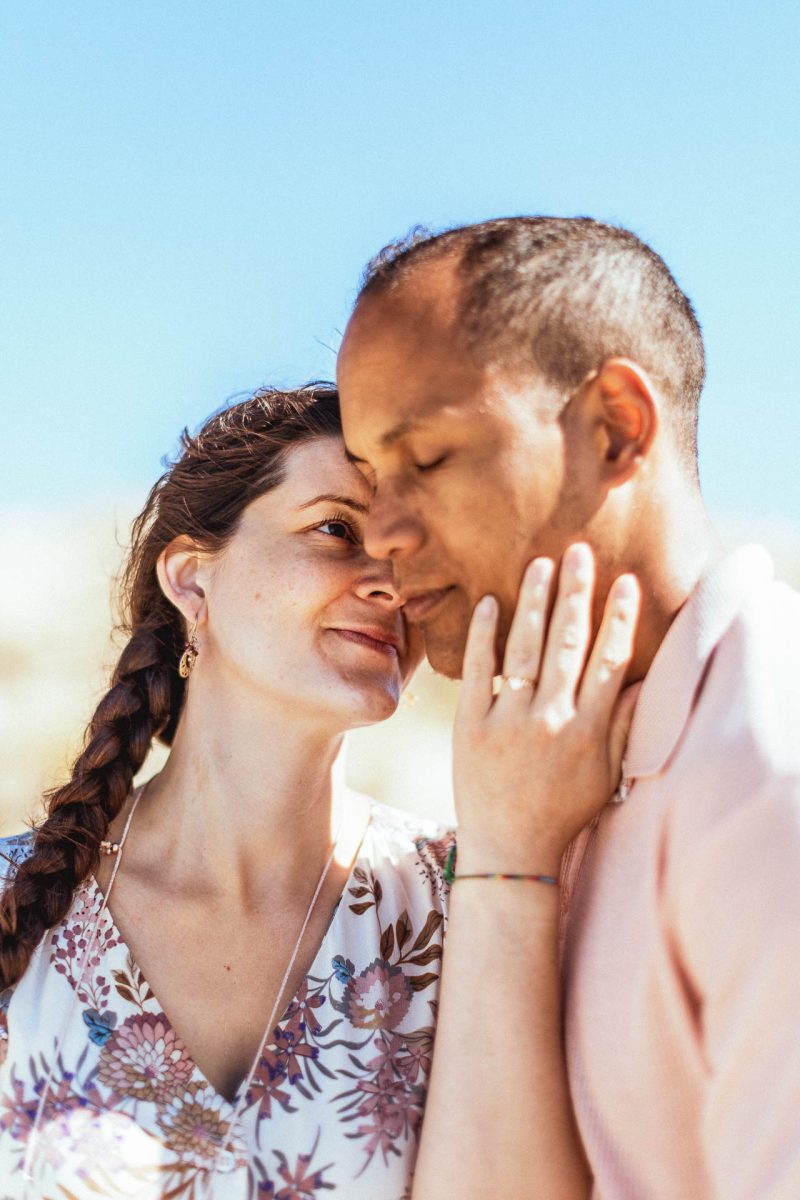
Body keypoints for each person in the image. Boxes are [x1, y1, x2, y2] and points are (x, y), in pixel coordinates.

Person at [0, 381, 640, 1199]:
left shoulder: (470, 904)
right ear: (194, 580)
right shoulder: (18, 903)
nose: (388, 583)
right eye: (337, 528)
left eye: (414, 554)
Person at [337, 216, 800, 1199]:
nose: (380, 533)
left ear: (615, 428)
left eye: (425, 458)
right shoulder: (562, 773)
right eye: (368, 479)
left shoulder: (767, 763)